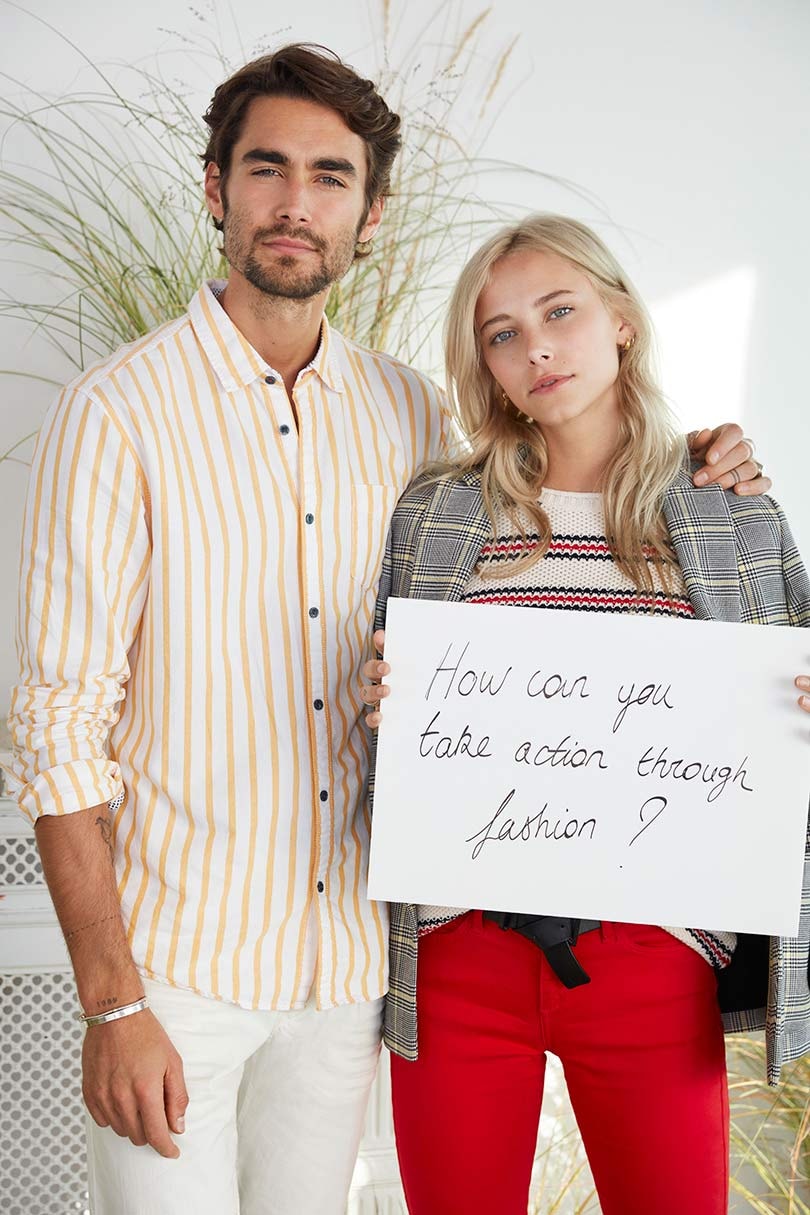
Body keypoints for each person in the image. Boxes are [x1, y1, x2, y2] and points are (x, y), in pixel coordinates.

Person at [4, 40, 765, 1214]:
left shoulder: (412, 414)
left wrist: (707, 465)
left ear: (369, 214)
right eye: (266, 168)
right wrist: (114, 1000)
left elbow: (513, 586)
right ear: (216, 188)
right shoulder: (115, 412)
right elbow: (56, 727)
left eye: (331, 176)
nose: (295, 203)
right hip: (179, 970)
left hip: (353, 971)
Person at [361, 213, 810, 1215]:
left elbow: (776, 728)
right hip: (457, 952)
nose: (538, 348)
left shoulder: (731, 512)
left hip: (656, 952)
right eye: (503, 333)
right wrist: (384, 696)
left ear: (622, 321)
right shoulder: (436, 513)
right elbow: (385, 711)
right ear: (486, 365)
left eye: (559, 311)